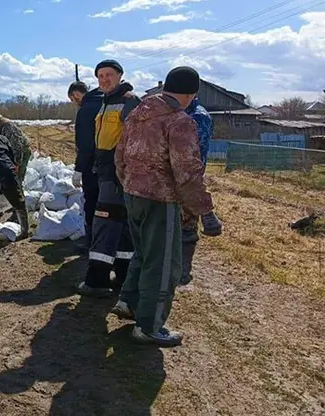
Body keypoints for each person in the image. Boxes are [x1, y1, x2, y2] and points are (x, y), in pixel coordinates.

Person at [112, 66, 223, 347]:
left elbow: (120, 155)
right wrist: (206, 213)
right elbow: (188, 173)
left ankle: (130, 302)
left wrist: (130, 184)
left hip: (132, 195)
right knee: (164, 265)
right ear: (190, 94)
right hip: (161, 201)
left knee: (143, 253)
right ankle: (149, 327)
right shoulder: (179, 121)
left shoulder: (138, 114)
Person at [76, 59, 140, 298]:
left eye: (108, 75)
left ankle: (97, 280)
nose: (103, 79)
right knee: (122, 227)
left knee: (104, 224)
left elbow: (135, 141)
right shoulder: (106, 102)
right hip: (106, 172)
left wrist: (121, 171)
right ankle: (124, 278)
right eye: (100, 76)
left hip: (117, 174)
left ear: (120, 75)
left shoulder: (129, 102)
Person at [180, 96, 213, 285]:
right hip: (170, 180)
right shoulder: (177, 111)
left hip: (189, 181)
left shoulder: (198, 117)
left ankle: (183, 270)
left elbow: (192, 154)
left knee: (187, 225)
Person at [68, 80, 104, 249]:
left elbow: (85, 145)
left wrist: (79, 169)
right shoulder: (106, 101)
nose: (74, 104)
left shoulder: (86, 109)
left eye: (72, 100)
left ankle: (92, 242)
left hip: (93, 166)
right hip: (111, 164)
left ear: (76, 94)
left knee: (91, 202)